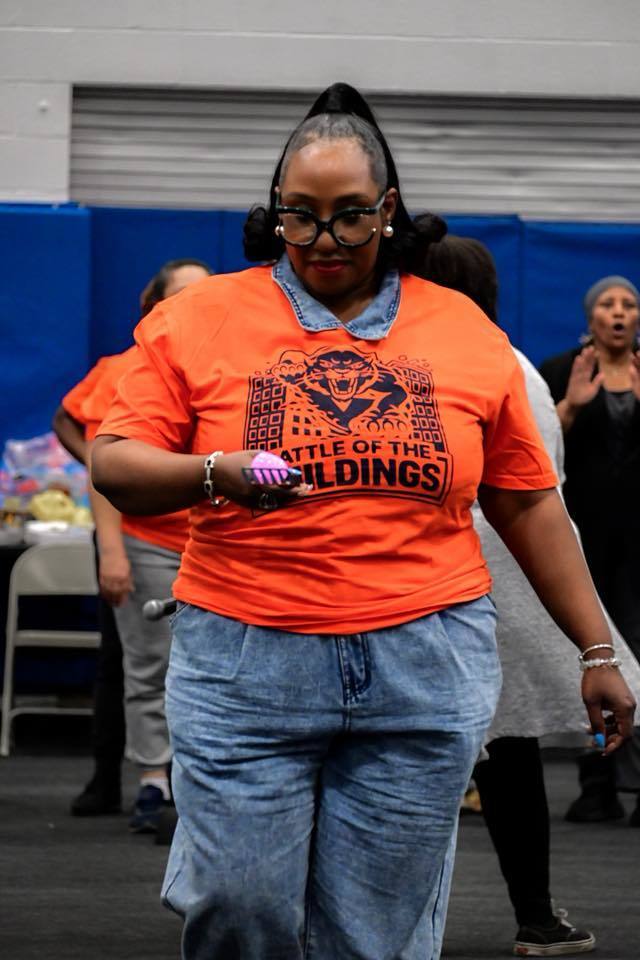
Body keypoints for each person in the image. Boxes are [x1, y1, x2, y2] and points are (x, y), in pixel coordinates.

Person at [91, 84, 635, 960]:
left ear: (388, 210)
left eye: (348, 217)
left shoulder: (460, 329)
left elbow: (528, 501)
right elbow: (113, 461)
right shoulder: (195, 319)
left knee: (372, 935)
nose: (324, 241)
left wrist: (597, 649)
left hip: (422, 665)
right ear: (274, 213)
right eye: (298, 218)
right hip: (244, 661)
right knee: (240, 908)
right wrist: (213, 473)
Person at [417, 233, 640, 957]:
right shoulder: (511, 366)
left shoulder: (451, 362)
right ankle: (536, 915)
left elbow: (530, 486)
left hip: (442, 585)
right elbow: (546, 477)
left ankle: (388, 921)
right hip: (492, 586)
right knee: (503, 762)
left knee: (413, 760)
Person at [53, 258, 212, 825]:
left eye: (207, 294)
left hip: (207, 540)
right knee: (142, 663)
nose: (199, 304)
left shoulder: (225, 364)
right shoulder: (130, 369)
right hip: (144, 538)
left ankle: (190, 781)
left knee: (198, 665)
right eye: (184, 296)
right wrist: (114, 550)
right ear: (156, 308)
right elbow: (89, 440)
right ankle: (151, 784)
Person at [540, 277, 640, 825]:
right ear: (591, 316)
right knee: (594, 651)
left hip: (638, 545)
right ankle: (596, 785)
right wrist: (572, 407)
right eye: (608, 304)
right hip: (584, 538)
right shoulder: (563, 369)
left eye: (628, 304)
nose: (619, 313)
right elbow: (534, 446)